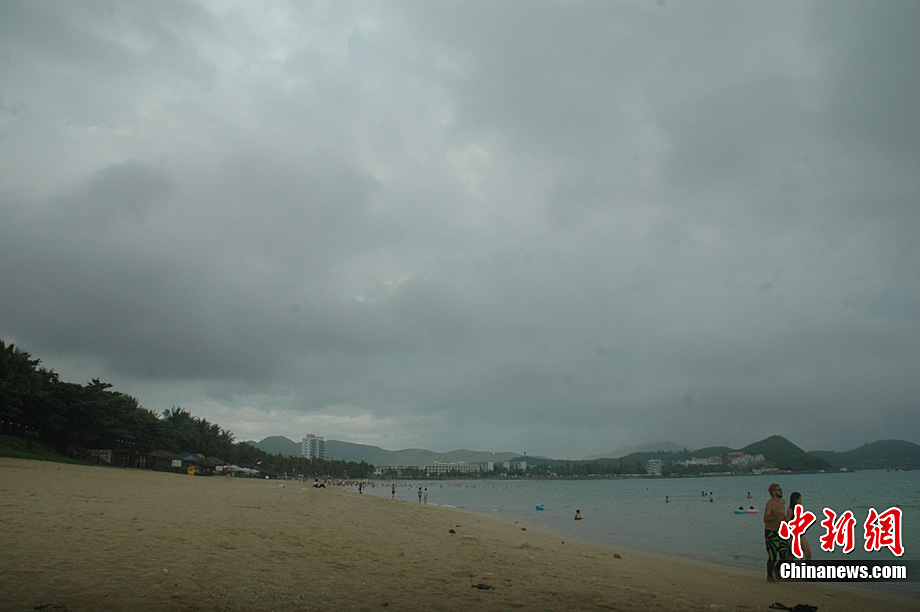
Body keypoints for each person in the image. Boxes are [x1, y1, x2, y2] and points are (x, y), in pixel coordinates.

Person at [764, 483, 791, 581]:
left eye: (781, 489)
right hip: (771, 532)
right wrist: (776, 516)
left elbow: (783, 516)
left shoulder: (782, 502)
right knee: (772, 555)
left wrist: (787, 520)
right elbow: (765, 519)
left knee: (787, 555)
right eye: (779, 490)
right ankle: (769, 576)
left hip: (781, 532)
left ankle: (777, 569)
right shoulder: (770, 504)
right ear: (773, 492)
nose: (781, 491)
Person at [787, 491, 812, 561]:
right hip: (793, 535)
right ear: (796, 500)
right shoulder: (790, 510)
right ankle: (781, 567)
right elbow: (788, 522)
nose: (801, 500)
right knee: (792, 556)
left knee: (808, 554)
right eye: (800, 499)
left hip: (800, 533)